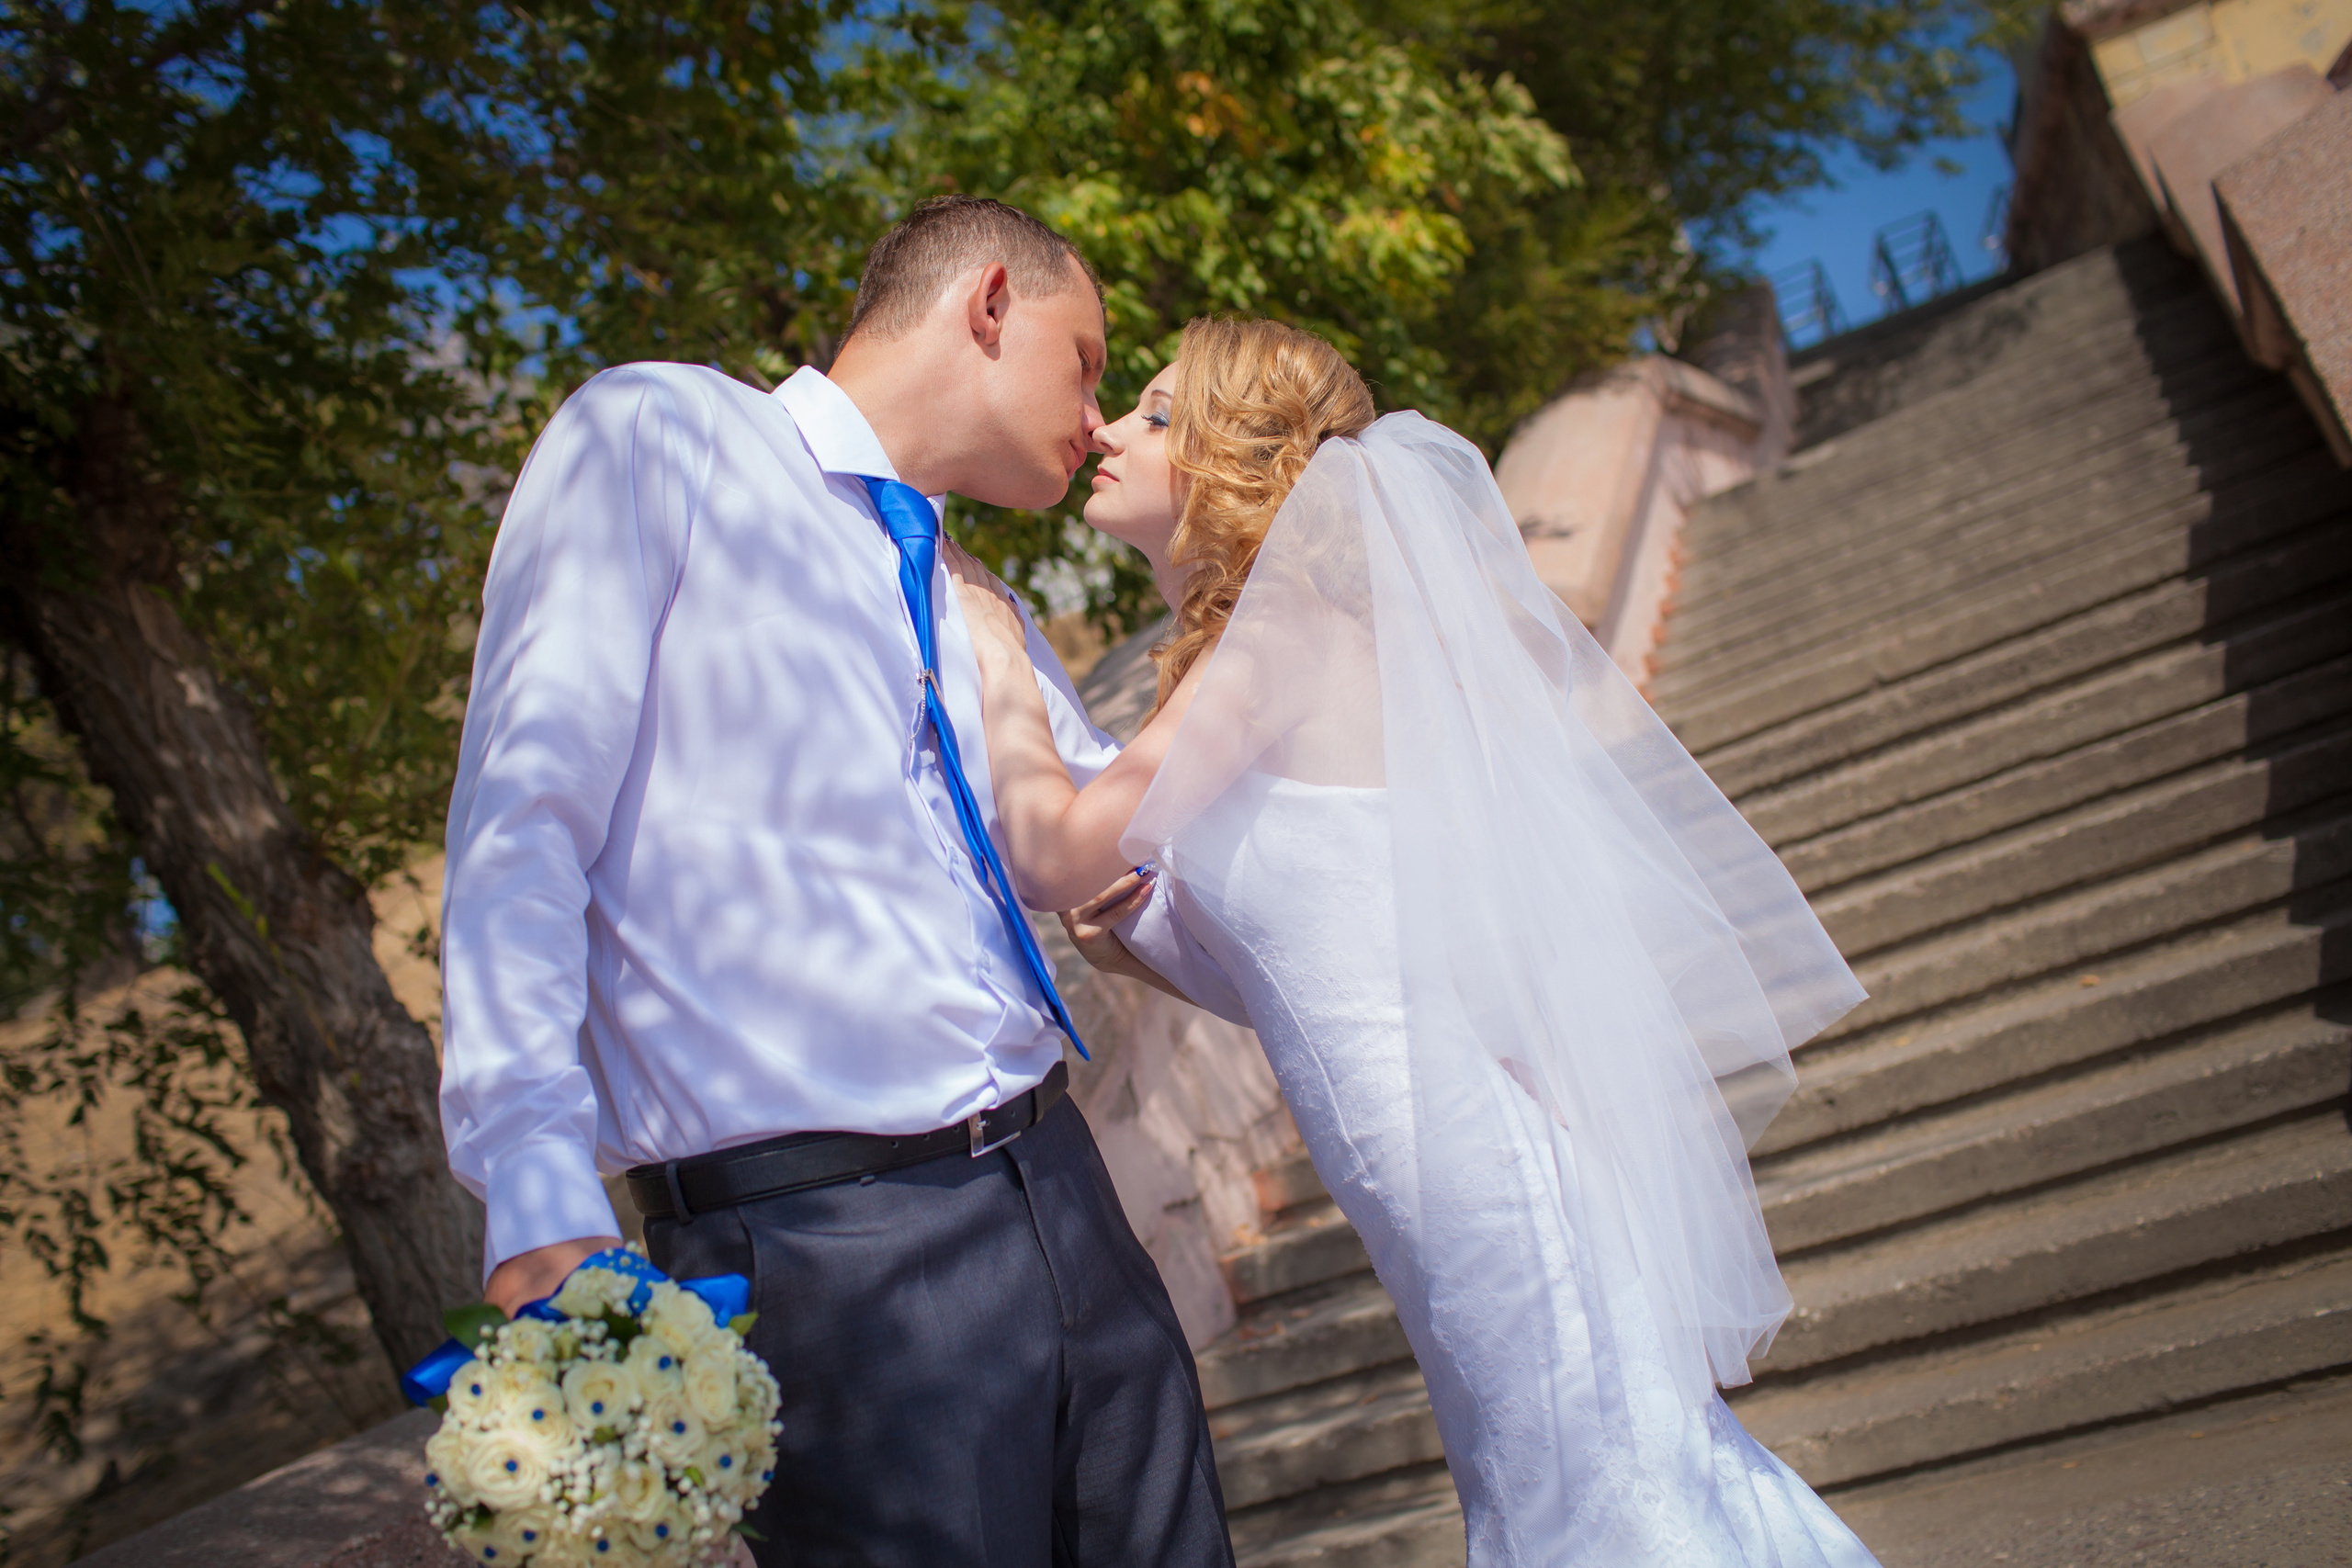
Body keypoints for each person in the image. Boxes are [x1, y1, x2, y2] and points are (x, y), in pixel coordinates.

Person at [944, 316, 1884, 1565]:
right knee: (1578, 1489)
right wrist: (1140, 949)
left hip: (1475, 1162)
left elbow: (1058, 850)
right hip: (1420, 1165)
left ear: (1236, 459)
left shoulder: (1286, 634)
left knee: (1597, 1502)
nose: (1110, 430)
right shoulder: (1240, 665)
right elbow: (1311, 972)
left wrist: (1003, 663)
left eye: (1160, 416)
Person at [437, 196, 1238, 1568]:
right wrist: (534, 1191)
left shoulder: (971, 595)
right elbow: (523, 820)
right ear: (991, 304)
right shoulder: (657, 436)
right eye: (1090, 359)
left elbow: (1132, 852)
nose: (1098, 413)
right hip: (825, 1255)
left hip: (1067, 1196)